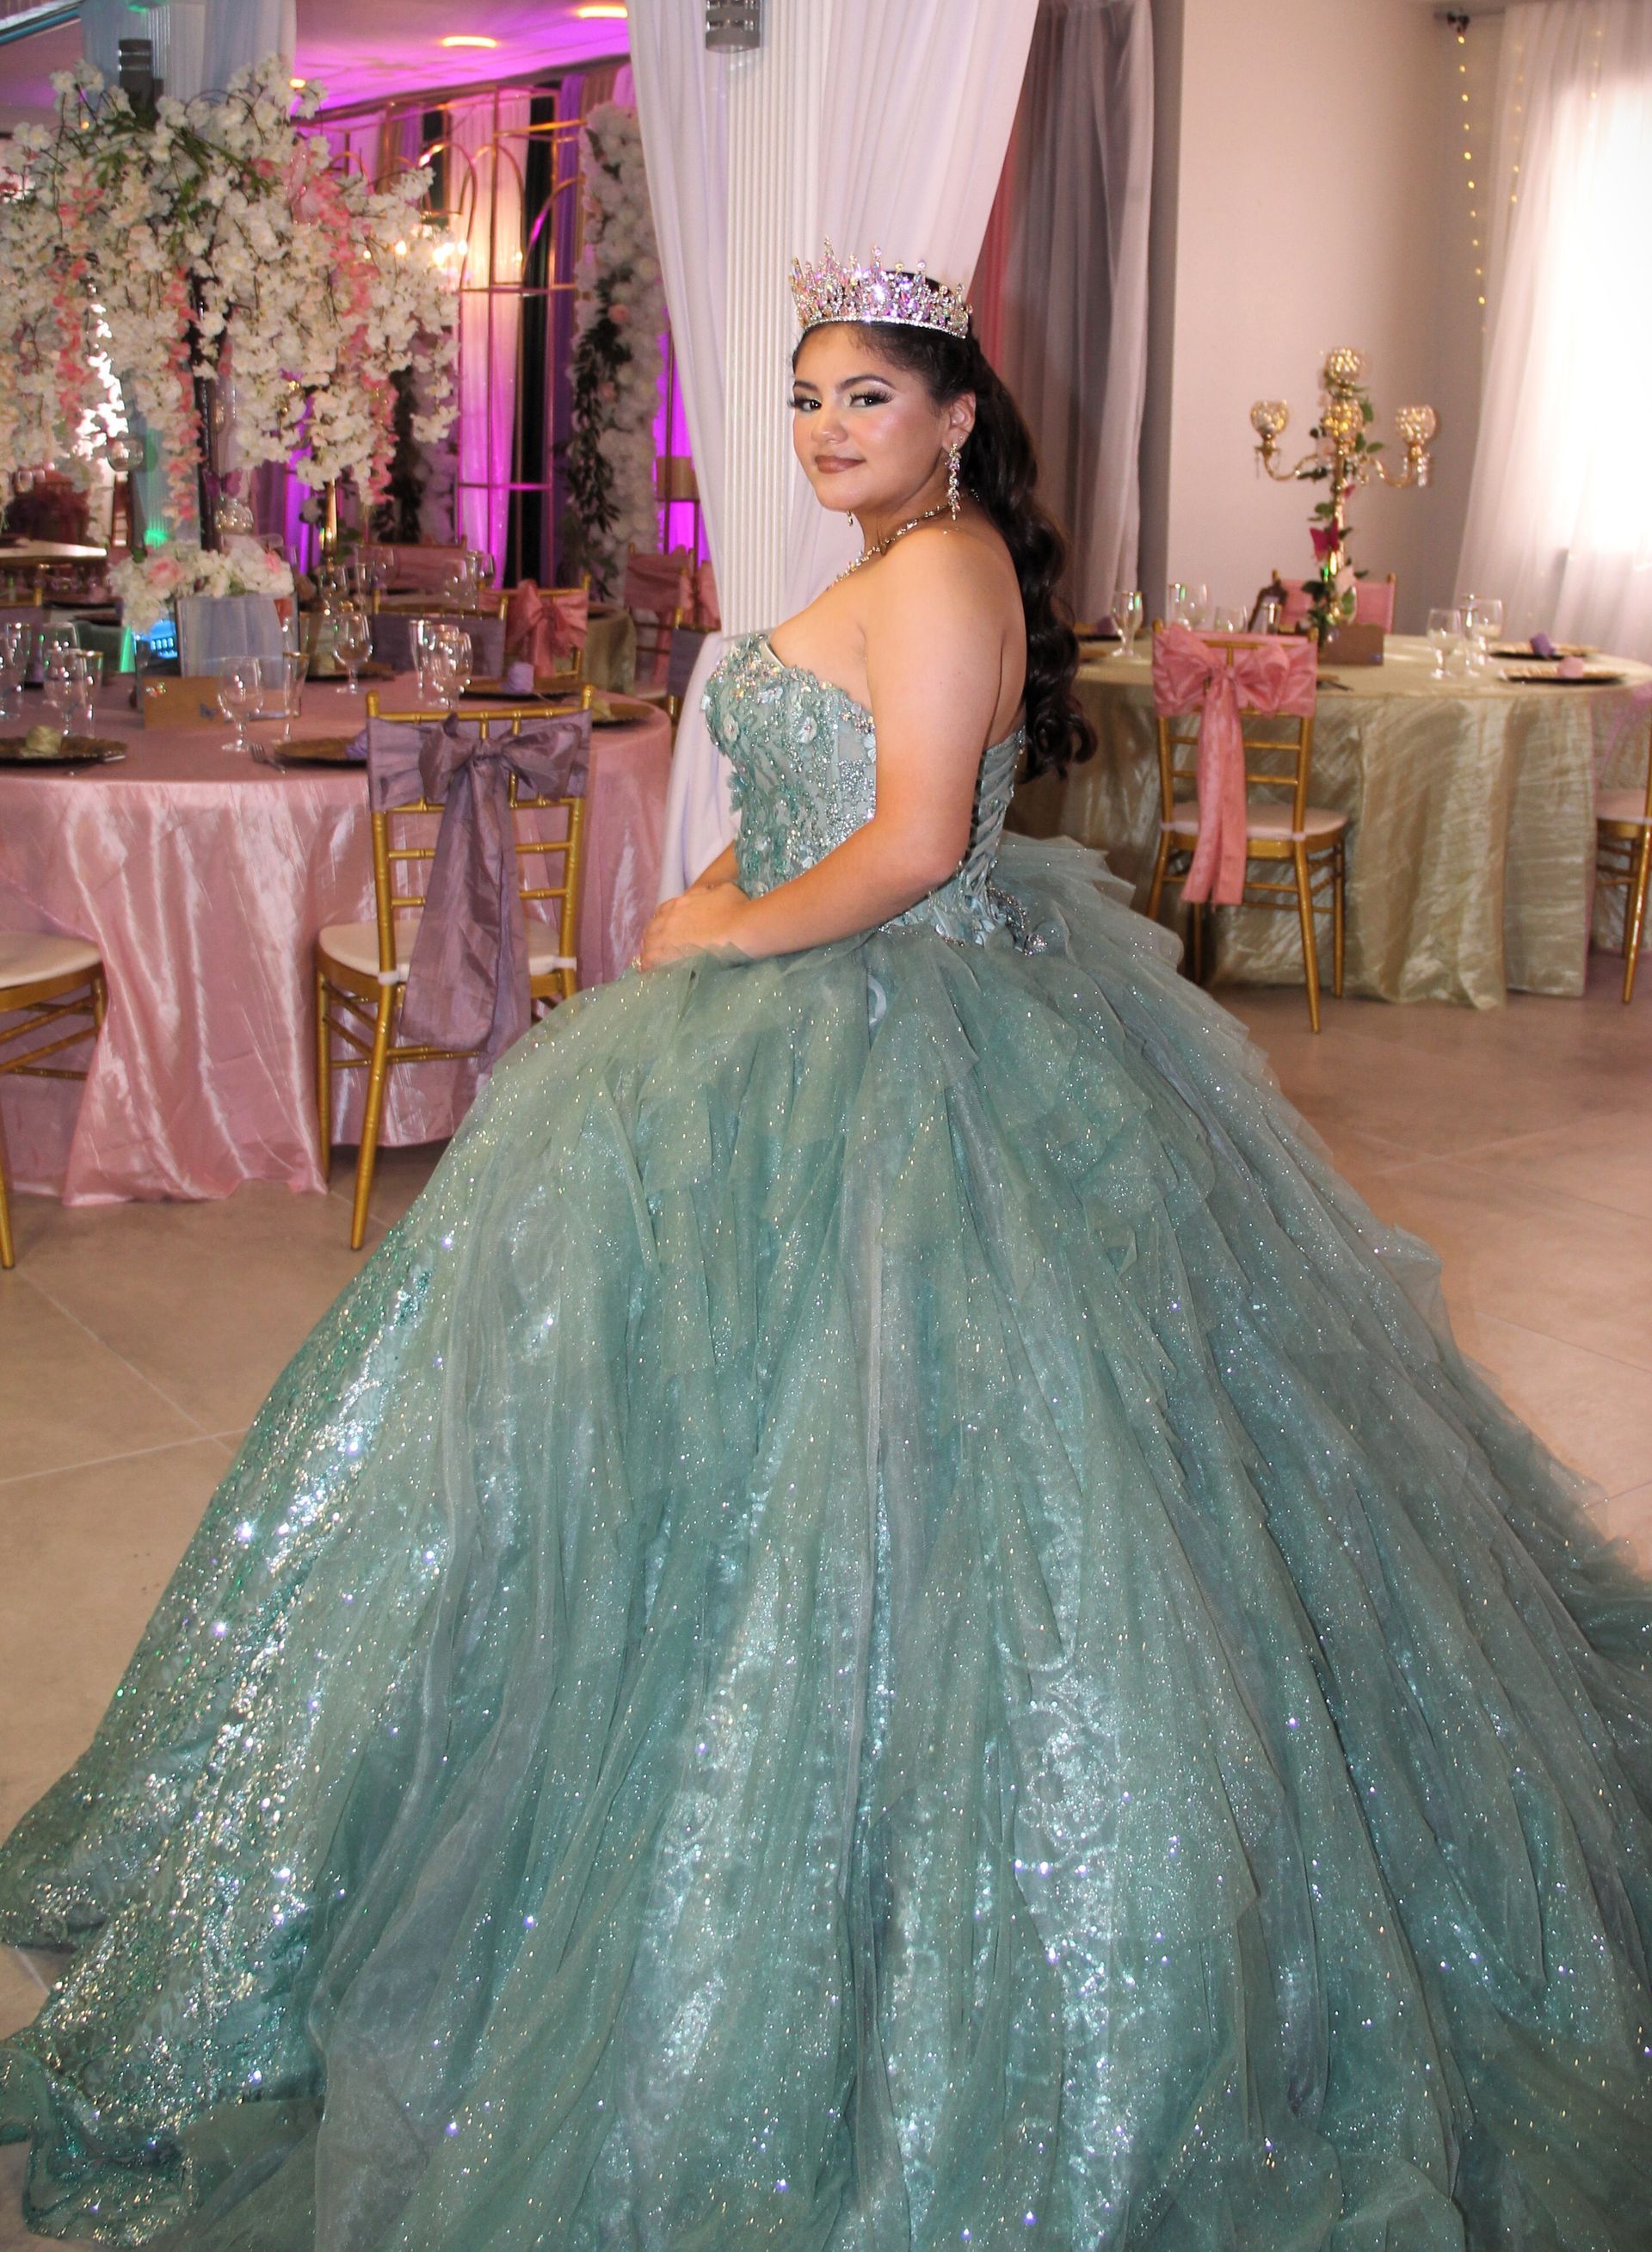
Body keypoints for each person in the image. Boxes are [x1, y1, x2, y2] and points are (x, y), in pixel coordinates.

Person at [3, 249, 1649, 2252]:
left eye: (862, 397)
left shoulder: (951, 570)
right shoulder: (884, 568)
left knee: (932, 1498)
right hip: (778, 1010)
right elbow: (800, 805)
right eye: (802, 399)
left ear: (954, 414)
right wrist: (699, 899)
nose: (821, 433)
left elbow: (905, 839)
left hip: (910, 1038)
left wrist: (712, 935)